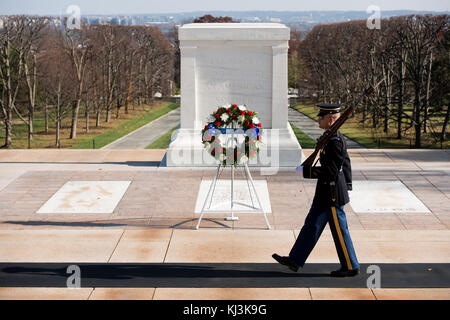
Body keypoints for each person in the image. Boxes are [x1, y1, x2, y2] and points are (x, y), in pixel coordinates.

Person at [272, 104, 360, 277]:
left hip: (333, 194)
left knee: (340, 231)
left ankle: (350, 266)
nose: (318, 119)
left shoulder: (335, 141)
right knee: (311, 225)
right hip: (325, 193)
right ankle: (295, 259)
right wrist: (348, 183)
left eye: (321, 117)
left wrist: (307, 171)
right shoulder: (331, 137)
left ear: (331, 120)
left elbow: (331, 171)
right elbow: (346, 162)